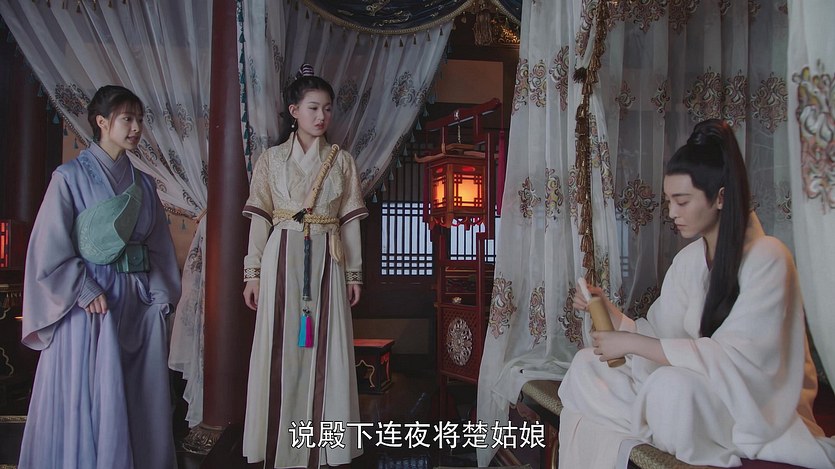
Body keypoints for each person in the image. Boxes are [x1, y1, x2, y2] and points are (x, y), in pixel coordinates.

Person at [557, 119, 835, 468]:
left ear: (720, 197)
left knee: (672, 389)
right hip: (692, 394)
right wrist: (609, 313)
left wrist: (632, 344)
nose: (672, 213)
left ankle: (654, 417)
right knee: (585, 367)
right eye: (669, 201)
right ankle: (655, 419)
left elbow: (738, 361)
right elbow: (661, 334)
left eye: (682, 201)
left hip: (747, 406)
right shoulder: (690, 260)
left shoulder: (769, 258)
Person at [19, 85, 182, 469]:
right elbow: (48, 246)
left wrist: (160, 297)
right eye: (127, 119)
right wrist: (83, 287)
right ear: (102, 122)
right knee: (93, 397)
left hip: (137, 304)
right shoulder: (69, 177)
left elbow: (159, 247)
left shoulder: (144, 184)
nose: (136, 128)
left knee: (140, 396)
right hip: (91, 305)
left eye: (140, 120)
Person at [241, 64, 368, 468]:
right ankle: (278, 443)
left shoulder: (342, 161)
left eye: (327, 109)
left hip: (327, 257)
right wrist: (252, 273)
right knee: (281, 346)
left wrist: (354, 274)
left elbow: (350, 223)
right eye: (313, 108)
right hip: (281, 255)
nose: (321, 116)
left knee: (324, 346)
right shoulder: (271, 160)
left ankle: (325, 446)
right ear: (294, 111)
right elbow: (260, 220)